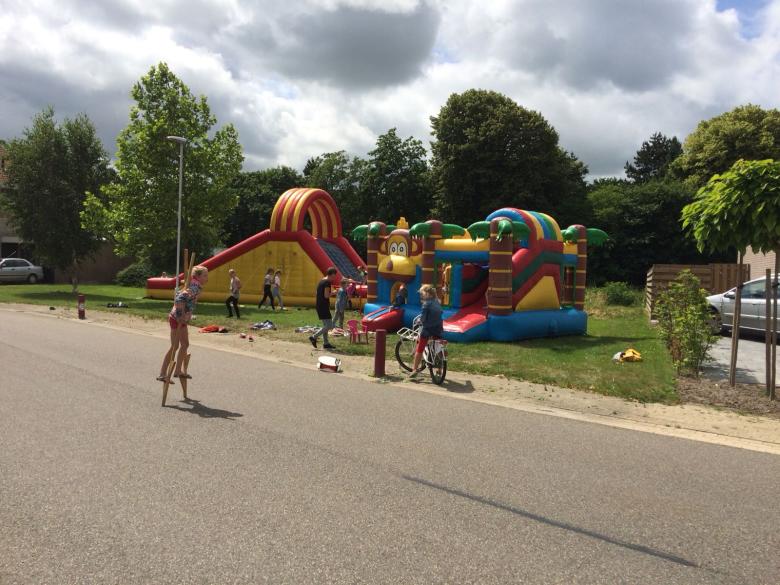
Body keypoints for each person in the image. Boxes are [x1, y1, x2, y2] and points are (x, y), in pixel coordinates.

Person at [158, 265, 209, 381]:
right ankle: (162, 373)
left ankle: (177, 371)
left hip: (182, 318)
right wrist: (181, 315)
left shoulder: (195, 285)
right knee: (175, 346)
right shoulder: (194, 287)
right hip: (177, 318)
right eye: (205, 275)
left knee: (185, 344)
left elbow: (180, 296)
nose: (207, 278)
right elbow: (179, 299)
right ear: (197, 276)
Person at [409, 284, 443, 378]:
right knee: (438, 348)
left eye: (422, 293)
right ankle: (440, 369)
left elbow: (423, 319)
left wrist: (419, 321)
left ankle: (414, 369)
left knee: (420, 349)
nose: (421, 295)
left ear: (427, 294)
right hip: (438, 328)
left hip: (428, 329)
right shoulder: (437, 302)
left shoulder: (426, 304)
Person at [309, 267, 338, 350]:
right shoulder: (327, 282)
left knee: (326, 325)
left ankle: (326, 343)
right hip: (323, 306)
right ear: (332, 274)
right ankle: (314, 337)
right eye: (334, 276)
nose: (335, 277)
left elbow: (318, 293)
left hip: (320, 305)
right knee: (329, 325)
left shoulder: (322, 281)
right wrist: (334, 292)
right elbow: (326, 295)